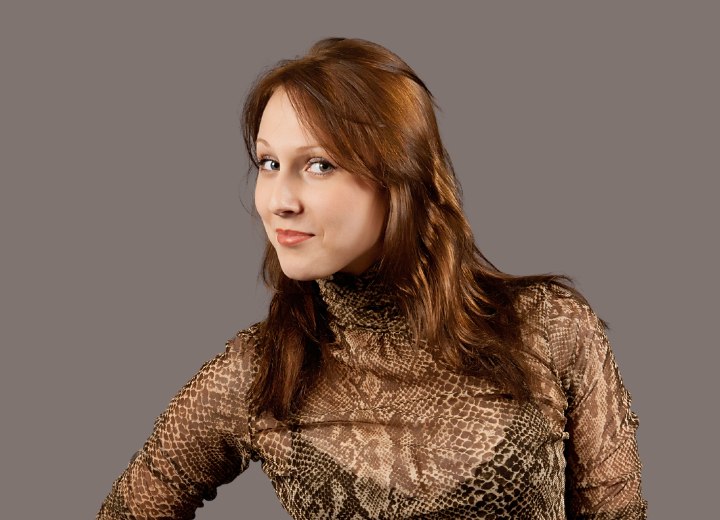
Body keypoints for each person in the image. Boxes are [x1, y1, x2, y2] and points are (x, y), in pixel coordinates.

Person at [97, 37, 646, 519]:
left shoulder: (549, 325)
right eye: (268, 164)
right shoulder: (259, 374)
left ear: (398, 176)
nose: (278, 200)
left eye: (318, 165)